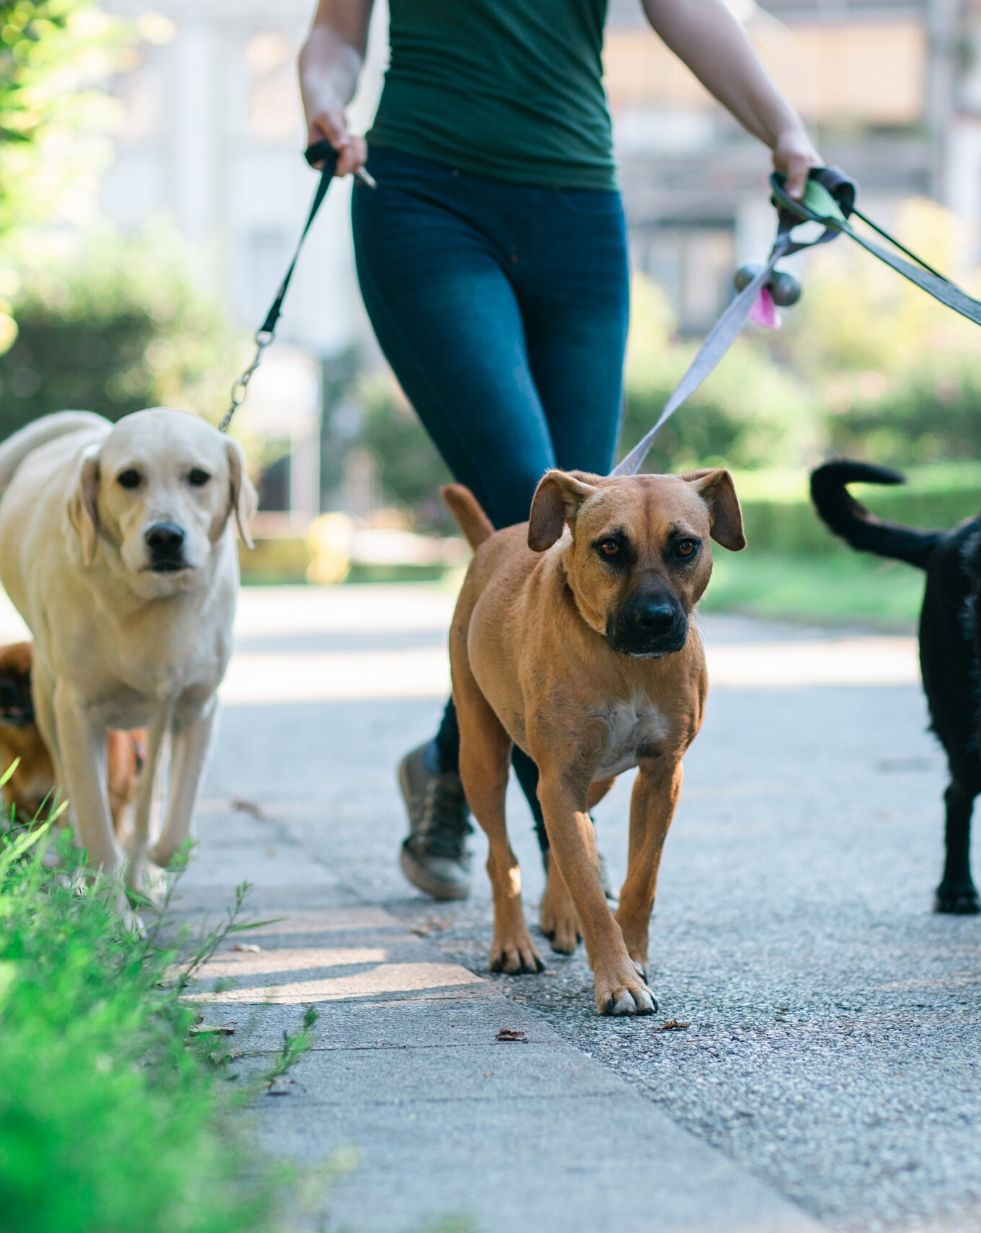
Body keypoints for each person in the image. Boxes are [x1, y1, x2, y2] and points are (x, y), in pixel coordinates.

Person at [299, 0, 822, 901]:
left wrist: (784, 127)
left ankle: (449, 766)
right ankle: (561, 853)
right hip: (423, 200)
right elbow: (337, 34)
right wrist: (324, 99)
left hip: (578, 210)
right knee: (536, 514)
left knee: (598, 528)